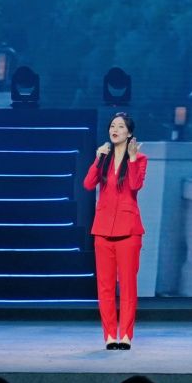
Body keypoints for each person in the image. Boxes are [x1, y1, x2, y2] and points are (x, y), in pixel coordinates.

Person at [84, 112, 147, 350]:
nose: (115, 130)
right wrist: (97, 159)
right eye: (112, 126)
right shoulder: (104, 158)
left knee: (128, 286)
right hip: (103, 230)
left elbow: (135, 185)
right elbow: (88, 184)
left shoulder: (140, 159)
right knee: (105, 286)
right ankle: (110, 335)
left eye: (120, 126)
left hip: (128, 231)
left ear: (129, 133)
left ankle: (126, 335)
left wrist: (132, 159)